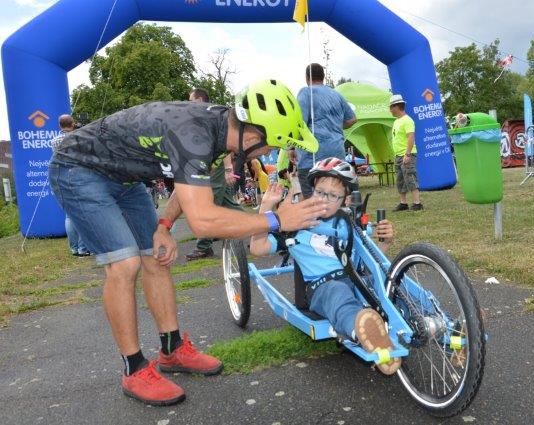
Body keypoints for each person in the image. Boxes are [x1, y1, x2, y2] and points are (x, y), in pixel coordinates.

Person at [48, 79, 327, 406]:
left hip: (124, 179)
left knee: (155, 255)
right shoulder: (195, 133)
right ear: (252, 136)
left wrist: (164, 225)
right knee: (125, 263)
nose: (267, 154)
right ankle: (134, 368)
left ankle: (172, 349)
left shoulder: (220, 127)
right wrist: (278, 220)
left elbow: (188, 185)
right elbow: (203, 220)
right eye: (268, 148)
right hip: (77, 170)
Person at [250, 157, 401, 375]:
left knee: (392, 283)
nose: (325, 200)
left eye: (333, 196)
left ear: (345, 200)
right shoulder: (295, 227)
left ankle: (430, 325)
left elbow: (371, 260)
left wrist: (384, 242)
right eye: (320, 192)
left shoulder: (347, 224)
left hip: (358, 281)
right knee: (338, 294)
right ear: (311, 192)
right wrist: (266, 206)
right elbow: (258, 246)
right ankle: (363, 332)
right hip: (322, 287)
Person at [185, 88, 241, 261]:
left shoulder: (212, 115)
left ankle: (204, 247)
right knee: (229, 204)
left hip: (215, 166)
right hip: (209, 166)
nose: (188, 104)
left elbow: (225, 147)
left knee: (209, 203)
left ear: (200, 100)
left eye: (191, 100)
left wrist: (227, 169)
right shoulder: (207, 116)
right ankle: (266, 226)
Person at [289, 63, 357, 198]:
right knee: (335, 197)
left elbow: (299, 123)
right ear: (323, 77)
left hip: (313, 157)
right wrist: (335, 125)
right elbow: (353, 119)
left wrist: (291, 147)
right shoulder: (337, 95)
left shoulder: (305, 92)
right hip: (337, 155)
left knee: (312, 201)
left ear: (306, 77)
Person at [51, 114, 89, 257]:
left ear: (60, 125)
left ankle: (74, 248)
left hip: (61, 177)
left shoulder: (54, 141)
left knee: (69, 215)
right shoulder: (77, 137)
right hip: (78, 176)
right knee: (83, 214)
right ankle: (82, 249)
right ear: (72, 123)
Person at [389, 94, 423, 211]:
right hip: (398, 155)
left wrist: (407, 154)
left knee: (410, 177)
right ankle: (403, 203)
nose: (390, 110)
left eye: (391, 107)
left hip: (407, 154)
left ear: (396, 106)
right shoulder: (396, 121)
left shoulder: (407, 120)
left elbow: (411, 137)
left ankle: (417, 203)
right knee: (400, 179)